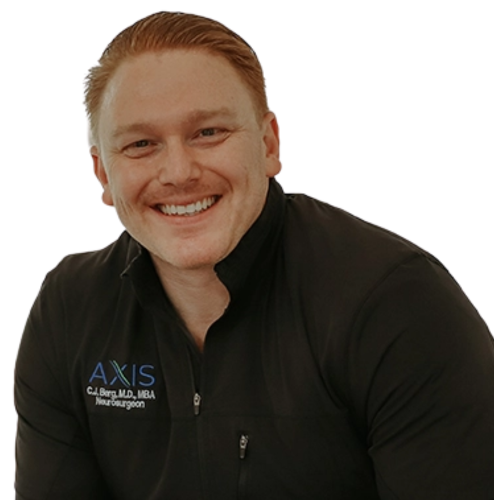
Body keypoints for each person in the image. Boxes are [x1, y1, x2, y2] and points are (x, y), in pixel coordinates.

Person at [14, 11, 494, 500]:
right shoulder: (69, 310)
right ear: (103, 174)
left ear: (268, 145)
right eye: (141, 144)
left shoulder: (395, 303)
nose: (178, 172)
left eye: (208, 133)